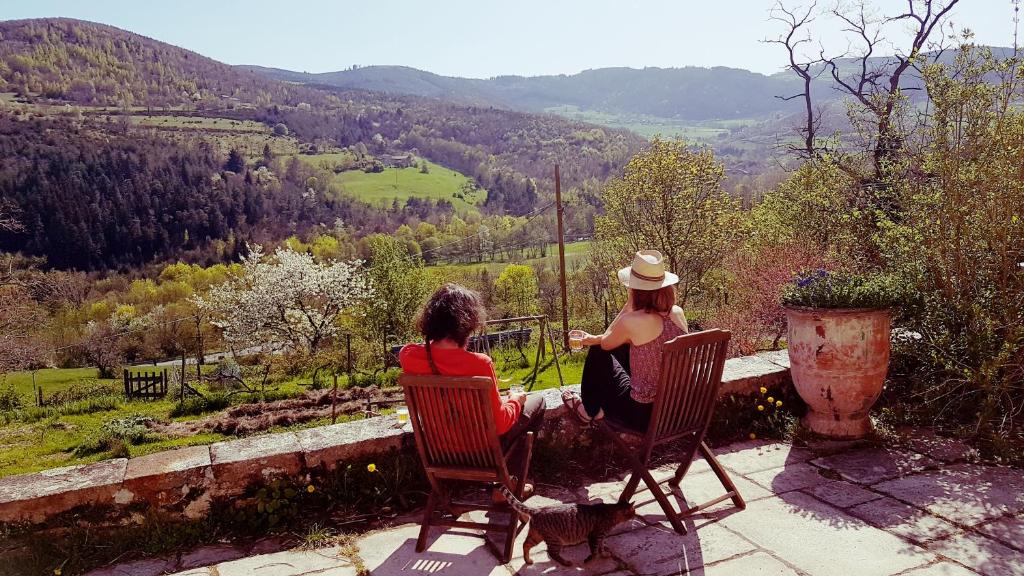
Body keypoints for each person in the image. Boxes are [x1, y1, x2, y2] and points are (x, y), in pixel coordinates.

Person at [399, 283, 545, 495]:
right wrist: (516, 400)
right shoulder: (480, 364)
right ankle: (507, 486)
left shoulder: (409, 355)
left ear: (430, 320)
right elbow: (501, 424)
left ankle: (503, 486)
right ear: (468, 323)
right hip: (481, 453)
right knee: (538, 401)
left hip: (440, 452)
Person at [562, 250, 689, 431]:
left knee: (599, 351)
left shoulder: (632, 321)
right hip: (678, 410)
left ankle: (588, 411)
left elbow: (606, 342)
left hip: (644, 417)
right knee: (622, 346)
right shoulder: (677, 313)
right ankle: (591, 409)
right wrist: (593, 338)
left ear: (636, 289)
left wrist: (627, 307)